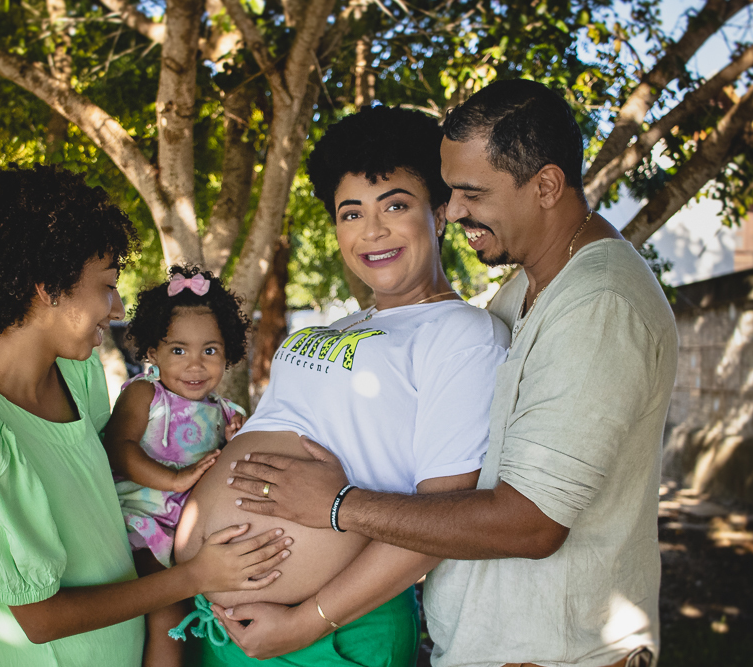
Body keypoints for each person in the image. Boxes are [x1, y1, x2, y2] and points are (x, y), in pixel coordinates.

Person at [225, 79, 678, 666]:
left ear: (545, 186)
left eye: (471, 193)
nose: (454, 209)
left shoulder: (599, 304)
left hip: (557, 655)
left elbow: (531, 524)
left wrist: (339, 506)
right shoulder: (530, 288)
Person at [171, 105, 510, 666]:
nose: (372, 231)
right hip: (220, 623)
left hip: (326, 631)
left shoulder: (462, 335)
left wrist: (305, 623)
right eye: (351, 213)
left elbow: (444, 517)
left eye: (395, 205)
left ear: (440, 213)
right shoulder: (341, 325)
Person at [0, 165, 292, 667]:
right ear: (48, 288)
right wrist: (194, 576)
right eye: (107, 286)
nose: (118, 307)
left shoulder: (75, 372)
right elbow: (40, 620)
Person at [104, 265, 250, 667]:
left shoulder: (226, 412)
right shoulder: (145, 394)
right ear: (153, 352)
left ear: (228, 353)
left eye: (210, 351)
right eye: (179, 350)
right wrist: (175, 479)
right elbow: (119, 448)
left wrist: (236, 443)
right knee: (167, 611)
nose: (195, 365)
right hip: (142, 521)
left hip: (191, 531)